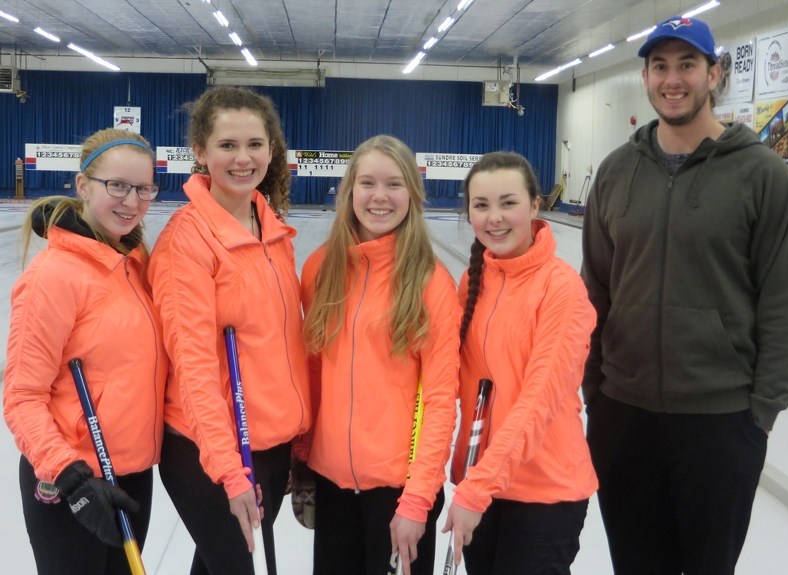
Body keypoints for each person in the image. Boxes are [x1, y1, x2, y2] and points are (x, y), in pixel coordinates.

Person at [581, 16, 788, 575]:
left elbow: (784, 299)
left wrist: (762, 412)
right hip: (623, 415)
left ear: (714, 74)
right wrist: (595, 391)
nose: (671, 79)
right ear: (647, 77)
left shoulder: (762, 174)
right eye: (660, 66)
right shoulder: (615, 172)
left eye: (687, 65)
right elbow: (595, 291)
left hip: (721, 420)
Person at [148, 85, 311, 575]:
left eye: (255, 145)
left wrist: (296, 441)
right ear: (200, 152)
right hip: (211, 453)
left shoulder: (273, 231)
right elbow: (193, 364)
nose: (244, 158)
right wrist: (228, 471)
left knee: (219, 566)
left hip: (271, 446)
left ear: (271, 149)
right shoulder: (187, 240)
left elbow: (287, 347)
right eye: (227, 146)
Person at [3, 128, 167, 575]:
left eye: (144, 188)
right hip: (73, 482)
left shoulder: (135, 264)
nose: (132, 201)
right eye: (117, 185)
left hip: (132, 475)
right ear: (82, 186)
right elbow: (21, 396)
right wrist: (70, 476)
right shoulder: (53, 277)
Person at [299, 134, 460, 575]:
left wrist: (418, 499)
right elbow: (312, 373)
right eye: (367, 183)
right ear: (350, 190)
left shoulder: (431, 283)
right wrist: (302, 462)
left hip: (398, 494)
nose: (379, 197)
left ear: (413, 193)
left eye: (394, 184)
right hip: (332, 487)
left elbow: (441, 402)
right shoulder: (320, 268)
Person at [443, 151, 597, 575]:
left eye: (508, 202)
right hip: (482, 482)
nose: (495, 217)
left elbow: (537, 401)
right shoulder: (475, 280)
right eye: (481, 205)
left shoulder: (561, 289)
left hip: (544, 492)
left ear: (534, 205)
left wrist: (476, 491)